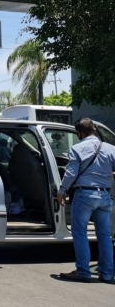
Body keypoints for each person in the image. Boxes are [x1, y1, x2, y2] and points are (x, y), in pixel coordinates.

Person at [57, 118, 115, 283]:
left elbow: (71, 173)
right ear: (95, 129)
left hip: (84, 195)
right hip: (105, 196)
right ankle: (107, 273)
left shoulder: (77, 148)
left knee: (80, 233)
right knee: (104, 235)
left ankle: (83, 271)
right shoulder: (111, 149)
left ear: (79, 133)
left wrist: (62, 191)